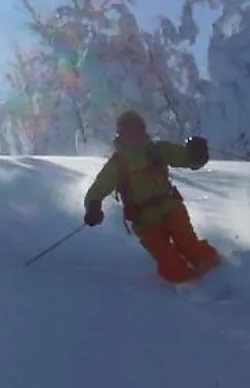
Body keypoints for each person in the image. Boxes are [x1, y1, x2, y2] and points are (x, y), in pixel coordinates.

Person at [83, 111, 222, 284]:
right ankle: (191, 288)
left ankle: (219, 275)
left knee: (190, 246)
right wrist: (93, 206)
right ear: (121, 135)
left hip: (172, 208)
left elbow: (186, 159)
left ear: (143, 131)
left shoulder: (158, 150)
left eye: (137, 131)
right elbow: (98, 188)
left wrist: (197, 154)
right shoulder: (117, 164)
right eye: (128, 133)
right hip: (145, 221)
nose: (133, 137)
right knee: (169, 261)